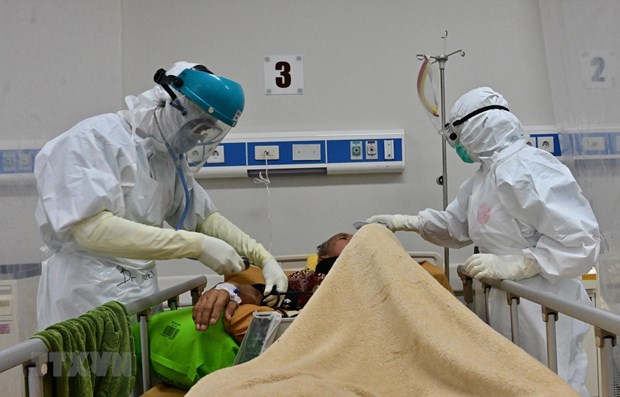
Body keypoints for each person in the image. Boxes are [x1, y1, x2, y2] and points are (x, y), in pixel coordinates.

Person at [366, 87, 600, 396]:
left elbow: (580, 239)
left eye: (457, 135)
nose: (457, 145)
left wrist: (518, 264)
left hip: (543, 300)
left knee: (551, 384)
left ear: (478, 129)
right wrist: (406, 223)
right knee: (509, 383)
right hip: (504, 298)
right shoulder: (481, 180)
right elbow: (456, 226)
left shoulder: (530, 169)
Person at [34, 61, 288, 330]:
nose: (198, 137)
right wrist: (197, 246)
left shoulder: (166, 160)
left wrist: (263, 258)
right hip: (85, 297)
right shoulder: (93, 140)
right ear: (169, 101)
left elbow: (204, 219)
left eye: (206, 130)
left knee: (140, 369)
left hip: (139, 296)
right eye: (196, 124)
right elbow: (91, 230)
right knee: (90, 370)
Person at [192, 231, 454, 338]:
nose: (355, 237)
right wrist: (228, 289)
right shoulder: (309, 278)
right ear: (325, 256)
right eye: (344, 237)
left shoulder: (395, 271)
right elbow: (260, 293)